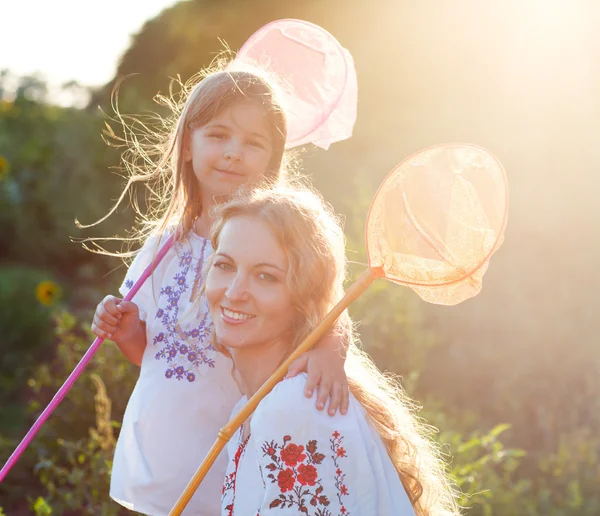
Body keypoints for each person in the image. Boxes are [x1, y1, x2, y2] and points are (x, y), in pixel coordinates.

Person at [90, 67, 351, 515]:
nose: (234, 153)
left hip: (228, 462)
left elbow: (329, 308)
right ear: (188, 145)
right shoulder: (161, 247)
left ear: (273, 159)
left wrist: (330, 349)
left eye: (254, 143)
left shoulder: (279, 245)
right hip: (157, 461)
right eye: (219, 135)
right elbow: (148, 354)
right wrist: (125, 329)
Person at [201, 187, 461, 515]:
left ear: (304, 298)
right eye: (224, 265)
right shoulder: (254, 406)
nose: (234, 291)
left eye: (265, 276)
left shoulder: (293, 406)